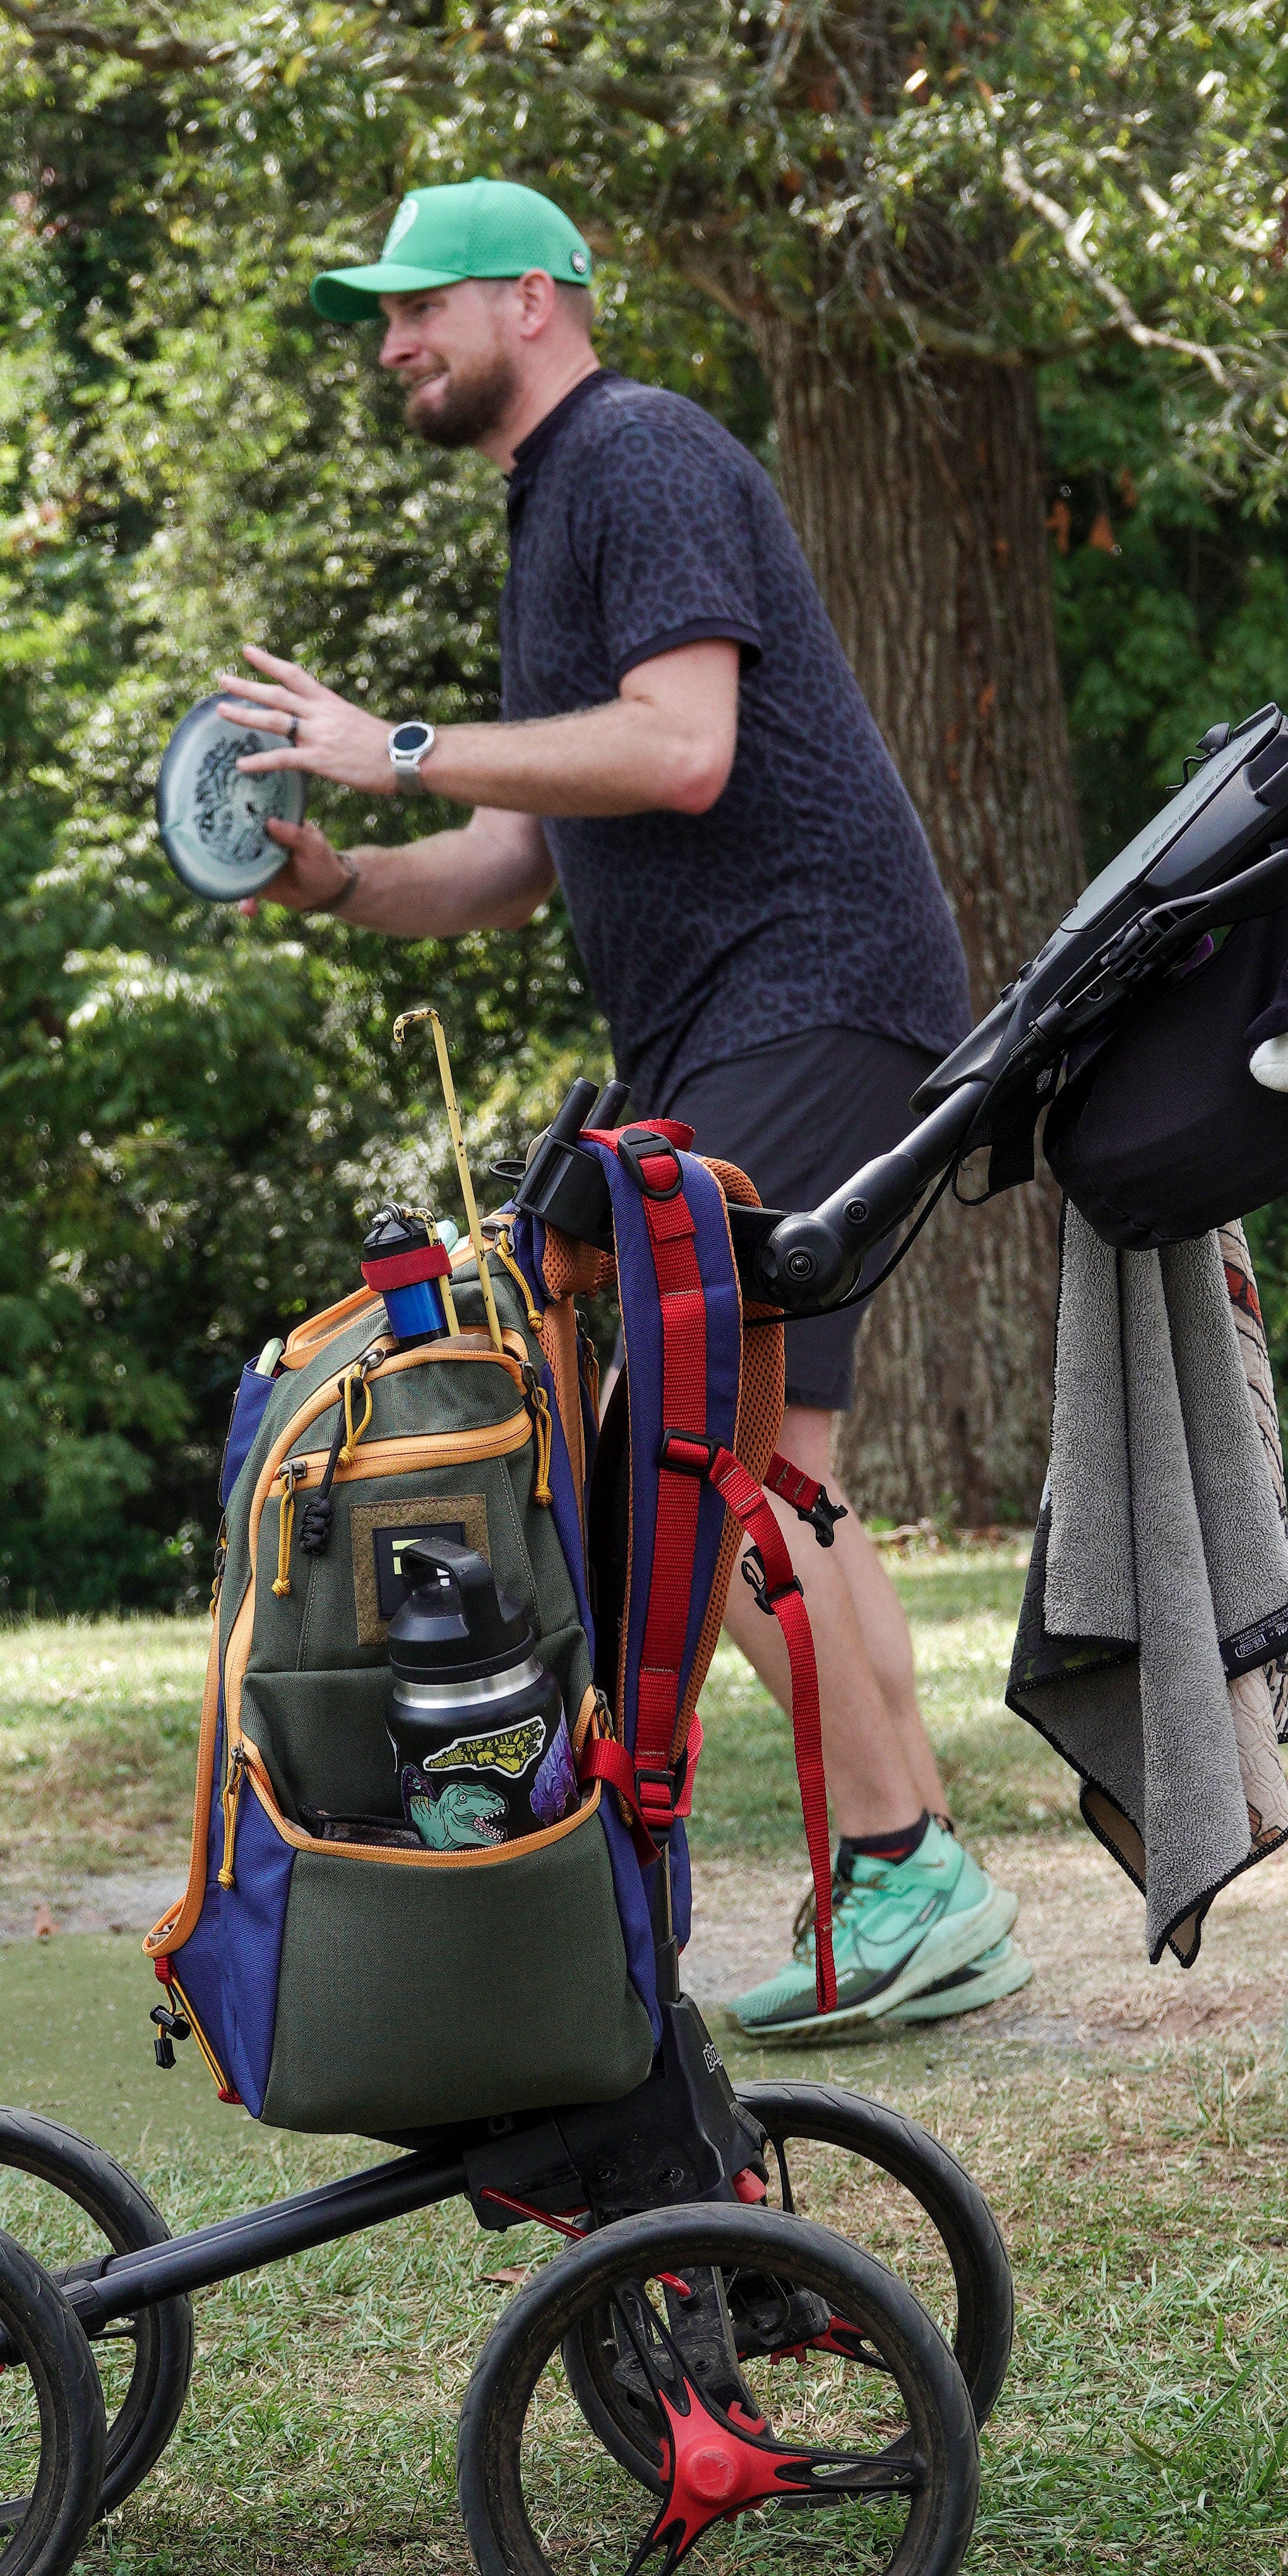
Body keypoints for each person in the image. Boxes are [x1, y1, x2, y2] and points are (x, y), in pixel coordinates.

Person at [217, 176, 1028, 2037]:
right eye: (383, 319)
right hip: (770, 1017)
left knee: (679, 1457)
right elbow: (512, 855)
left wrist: (393, 737)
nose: (395, 343)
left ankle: (909, 1876)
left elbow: (682, 747)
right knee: (766, 1474)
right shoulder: (553, 511)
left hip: (808, 993)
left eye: (420, 306)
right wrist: (339, 874)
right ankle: (912, 1890)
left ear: (534, 296)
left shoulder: (637, 451)